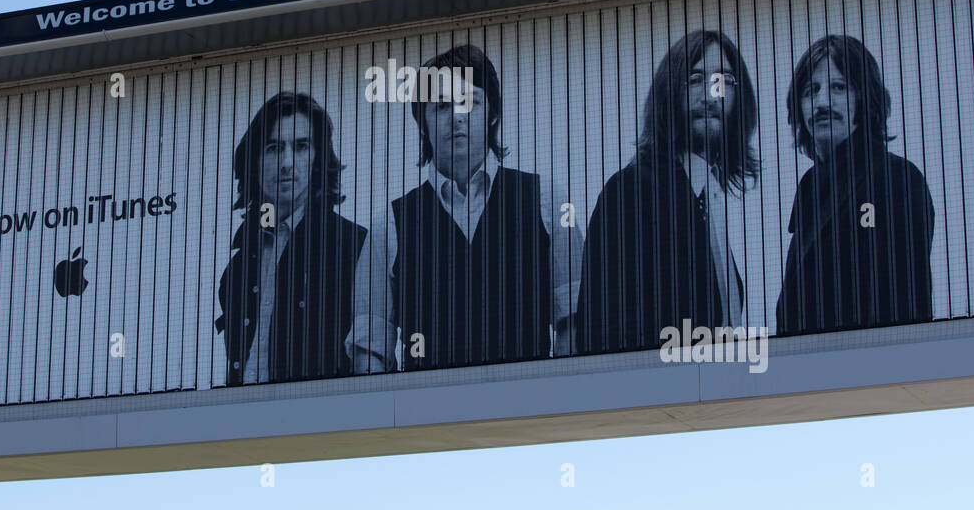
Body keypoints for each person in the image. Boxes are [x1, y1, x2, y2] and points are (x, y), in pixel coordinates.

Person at [345, 44, 583, 372]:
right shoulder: (391, 223)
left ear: (493, 114)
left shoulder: (546, 200)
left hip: (530, 409)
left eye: (470, 102)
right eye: (440, 106)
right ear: (423, 123)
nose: (456, 116)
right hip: (425, 414)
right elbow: (370, 343)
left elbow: (574, 317)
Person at [575, 29, 761, 354]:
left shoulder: (710, 200)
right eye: (695, 79)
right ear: (669, 93)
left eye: (725, 81)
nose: (711, 95)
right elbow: (601, 334)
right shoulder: (630, 191)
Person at [776, 35, 934, 335]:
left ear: (864, 98)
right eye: (811, 91)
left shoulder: (896, 178)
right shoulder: (811, 187)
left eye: (839, 87)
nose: (822, 103)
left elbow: (904, 305)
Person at [215, 91, 367, 385]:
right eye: (273, 148)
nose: (287, 163)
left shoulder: (352, 246)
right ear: (255, 161)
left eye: (300, 147)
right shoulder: (236, 270)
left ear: (318, 158)